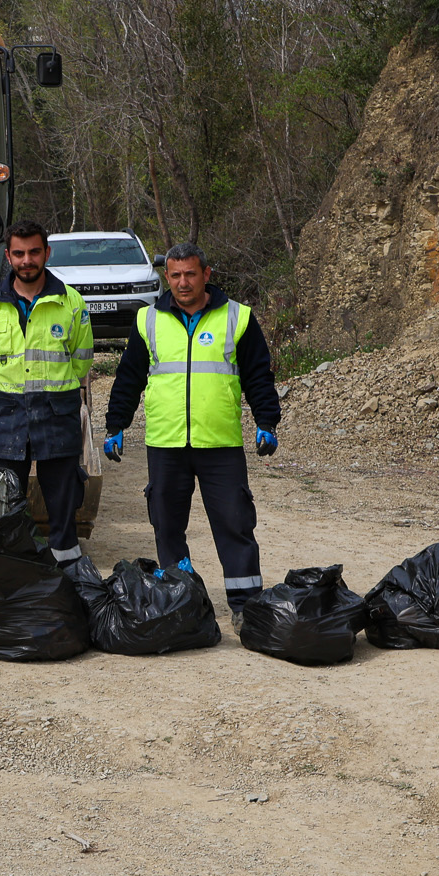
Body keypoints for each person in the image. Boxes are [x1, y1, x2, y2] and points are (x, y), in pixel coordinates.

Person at [103, 241, 282, 622]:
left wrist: (267, 421)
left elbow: (258, 376)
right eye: (175, 275)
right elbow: (129, 378)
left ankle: (245, 605)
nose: (183, 283)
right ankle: (179, 600)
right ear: (165, 277)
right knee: (166, 524)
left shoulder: (238, 318)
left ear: (206, 275)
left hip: (220, 443)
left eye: (190, 274)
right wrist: (116, 424)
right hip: (166, 444)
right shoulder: (147, 320)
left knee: (235, 523)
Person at [0, 219, 93, 565]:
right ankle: (9, 572)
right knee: (4, 502)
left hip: (57, 410)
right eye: (20, 253)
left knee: (63, 499)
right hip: (4, 412)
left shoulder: (71, 303)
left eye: (34, 252)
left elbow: (82, 360)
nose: (27, 260)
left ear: (47, 253)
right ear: (8, 256)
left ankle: (67, 571)